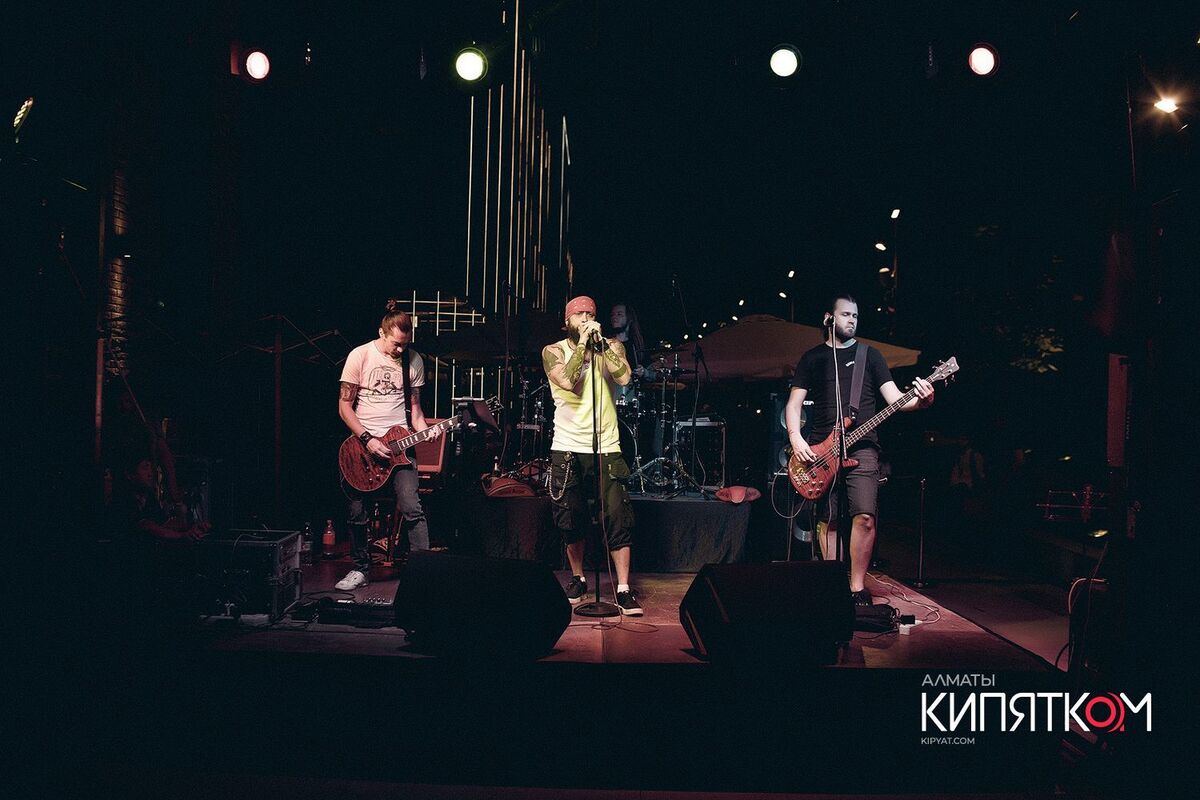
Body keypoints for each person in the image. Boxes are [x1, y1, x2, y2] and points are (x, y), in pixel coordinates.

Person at [784, 295, 935, 606]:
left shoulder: (871, 356)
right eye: (845, 315)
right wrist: (797, 439)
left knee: (865, 517)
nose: (852, 320)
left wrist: (923, 400)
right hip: (822, 450)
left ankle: (856, 588)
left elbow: (896, 399)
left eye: (855, 315)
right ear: (829, 318)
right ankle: (832, 582)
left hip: (863, 446)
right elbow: (793, 404)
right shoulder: (813, 358)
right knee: (830, 519)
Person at [543, 295, 642, 615]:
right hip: (568, 446)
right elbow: (567, 381)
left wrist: (599, 346)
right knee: (571, 518)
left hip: (607, 446)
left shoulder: (612, 346)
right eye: (578, 315)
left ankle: (623, 588)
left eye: (590, 314)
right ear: (567, 321)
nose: (585, 318)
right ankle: (578, 578)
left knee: (618, 517)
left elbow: (624, 377)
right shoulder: (554, 351)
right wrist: (583, 345)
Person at [335, 300, 441, 591]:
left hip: (401, 445)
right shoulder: (360, 356)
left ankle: (423, 573)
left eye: (405, 344)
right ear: (381, 333)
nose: (401, 350)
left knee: (412, 507)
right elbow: (344, 407)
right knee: (357, 511)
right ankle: (360, 569)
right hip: (362, 445)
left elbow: (416, 410)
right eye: (396, 344)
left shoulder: (414, 361)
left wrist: (425, 431)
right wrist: (367, 439)